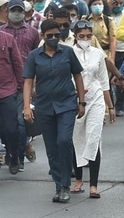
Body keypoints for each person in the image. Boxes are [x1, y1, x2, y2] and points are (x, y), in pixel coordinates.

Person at [23, 19, 86, 203]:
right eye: (49, 36)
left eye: (56, 36)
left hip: (66, 104)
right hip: (44, 106)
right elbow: (27, 81)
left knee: (64, 141)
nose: (53, 38)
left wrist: (81, 102)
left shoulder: (68, 52)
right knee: (51, 148)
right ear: (42, 36)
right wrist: (26, 106)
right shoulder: (34, 56)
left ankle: (66, 183)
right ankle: (58, 185)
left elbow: (77, 76)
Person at [70, 20, 115, 199]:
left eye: (89, 36)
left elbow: (104, 82)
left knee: (93, 138)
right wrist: (74, 92)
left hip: (96, 99)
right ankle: (79, 178)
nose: (86, 39)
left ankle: (94, 185)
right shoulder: (68, 53)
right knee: (76, 139)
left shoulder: (98, 54)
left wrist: (110, 106)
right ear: (75, 36)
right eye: (82, 36)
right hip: (74, 101)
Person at [0, 0, 40, 171]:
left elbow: (19, 63)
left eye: (19, 10)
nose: (16, 13)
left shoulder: (26, 34)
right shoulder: (4, 31)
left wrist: (29, 87)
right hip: (11, 87)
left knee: (16, 125)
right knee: (4, 128)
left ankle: (17, 155)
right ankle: (10, 152)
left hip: (14, 87)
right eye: (12, 10)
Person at [0, 28, 23, 175]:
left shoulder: (8, 39)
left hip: (7, 90)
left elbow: (17, 64)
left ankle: (13, 154)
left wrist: (22, 87)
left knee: (11, 128)